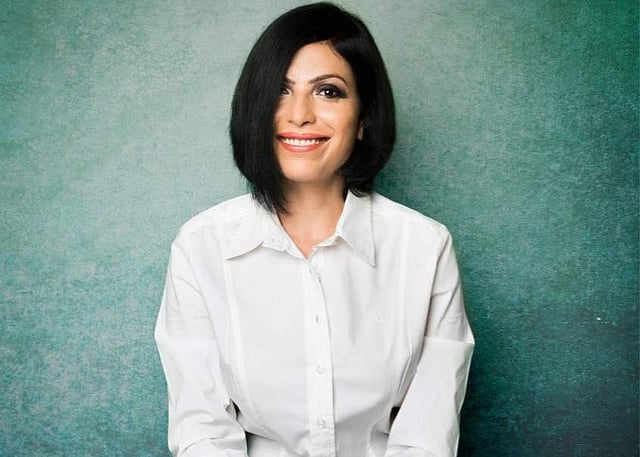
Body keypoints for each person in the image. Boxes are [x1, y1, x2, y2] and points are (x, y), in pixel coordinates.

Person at [155, 3, 474, 456]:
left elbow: (427, 435)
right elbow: (201, 430)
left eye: (328, 91)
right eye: (280, 91)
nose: (299, 114)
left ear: (364, 118)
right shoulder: (200, 246)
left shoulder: (425, 247)